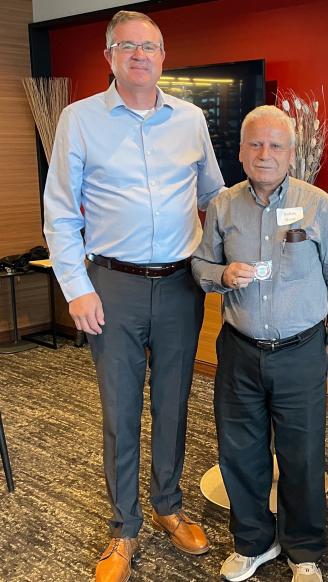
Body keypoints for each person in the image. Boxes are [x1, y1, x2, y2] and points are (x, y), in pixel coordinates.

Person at [43, 10, 224, 582]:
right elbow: (60, 214)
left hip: (179, 287)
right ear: (110, 57)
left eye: (150, 46)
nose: (140, 55)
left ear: (164, 55)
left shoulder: (191, 119)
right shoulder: (79, 120)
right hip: (110, 286)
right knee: (121, 410)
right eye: (127, 47)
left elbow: (217, 198)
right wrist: (76, 288)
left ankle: (167, 506)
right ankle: (124, 527)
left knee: (172, 402)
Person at [191, 105, 328, 582]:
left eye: (276, 145)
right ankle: (253, 542)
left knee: (302, 454)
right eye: (256, 144)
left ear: (291, 153)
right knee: (240, 451)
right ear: (241, 152)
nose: (265, 154)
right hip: (239, 350)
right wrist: (221, 274)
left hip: (302, 350)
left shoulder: (318, 204)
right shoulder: (222, 207)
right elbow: (200, 267)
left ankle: (303, 549)